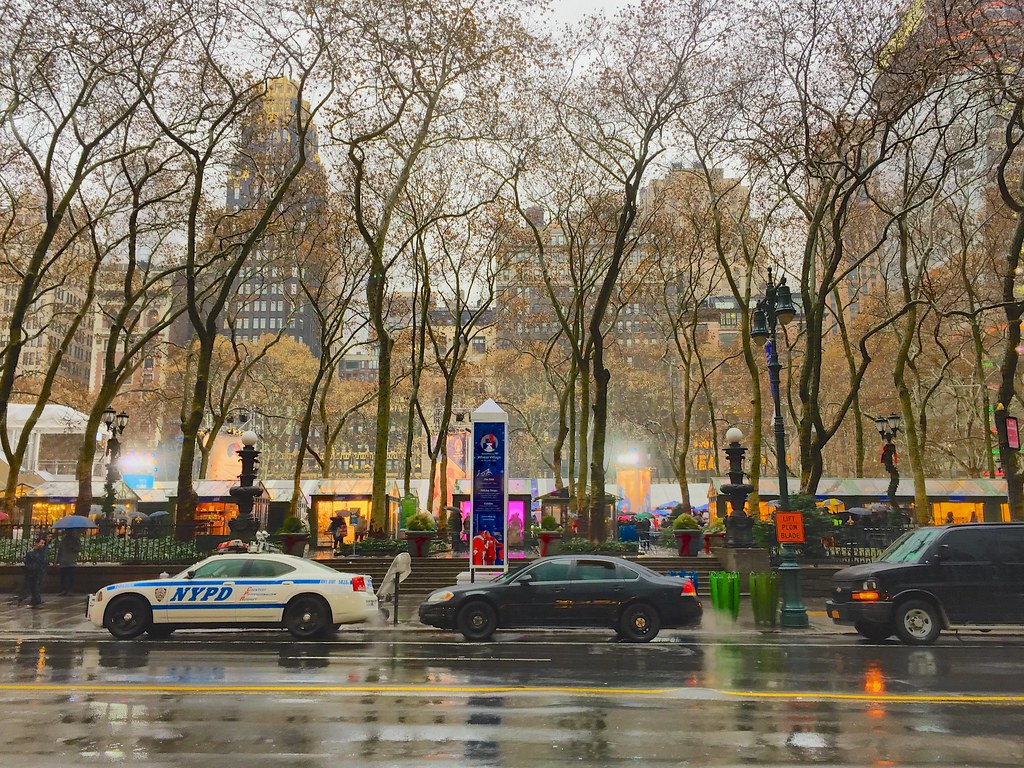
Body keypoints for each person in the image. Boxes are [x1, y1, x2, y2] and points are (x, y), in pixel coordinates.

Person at [14, 536, 49, 608]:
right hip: (32, 573)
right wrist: (32, 569)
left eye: (43, 543)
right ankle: (30, 600)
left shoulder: (42, 553)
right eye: (41, 543)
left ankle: (35, 601)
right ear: (37, 543)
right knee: (31, 588)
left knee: (36, 588)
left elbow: (43, 562)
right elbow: (28, 563)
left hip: (39, 573)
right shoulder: (31, 553)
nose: (42, 545)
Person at [57, 531, 81, 595]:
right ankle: (63, 589)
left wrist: (72, 547)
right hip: (63, 561)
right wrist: (58, 560)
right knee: (63, 577)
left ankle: (71, 590)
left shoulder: (76, 539)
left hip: (71, 561)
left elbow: (78, 549)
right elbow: (60, 549)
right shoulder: (63, 540)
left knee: (71, 577)